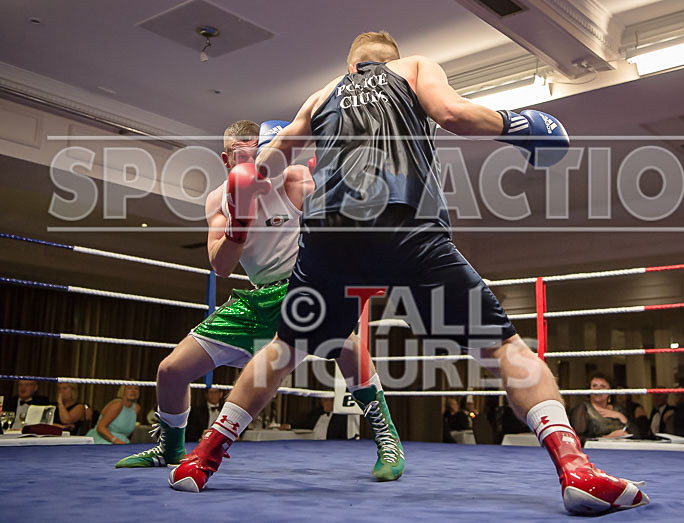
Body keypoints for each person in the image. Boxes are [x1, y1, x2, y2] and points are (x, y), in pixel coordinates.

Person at [171, 31, 648, 514]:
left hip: (330, 235)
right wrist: (518, 124)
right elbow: (453, 114)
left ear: (351, 65)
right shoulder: (414, 67)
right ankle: (575, 469)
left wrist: (246, 186)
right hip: (407, 224)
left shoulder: (321, 95)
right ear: (391, 60)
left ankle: (201, 460)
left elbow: (266, 165)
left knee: (282, 351)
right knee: (504, 349)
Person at [117, 120, 402, 479]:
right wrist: (239, 222)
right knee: (171, 371)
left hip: (301, 289)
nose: (253, 162)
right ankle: (170, 447)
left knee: (346, 345)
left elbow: (342, 225)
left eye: (259, 153)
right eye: (243, 156)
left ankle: (387, 438)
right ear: (226, 159)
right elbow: (221, 266)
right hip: (256, 299)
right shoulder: (218, 199)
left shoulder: (294, 179)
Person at [569, 373, 629, 442]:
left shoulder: (618, 408)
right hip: (596, 448)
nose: (598, 389)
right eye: (594, 386)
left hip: (622, 447)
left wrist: (620, 416)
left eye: (603, 386)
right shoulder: (582, 409)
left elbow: (636, 434)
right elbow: (577, 438)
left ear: (610, 390)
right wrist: (607, 437)